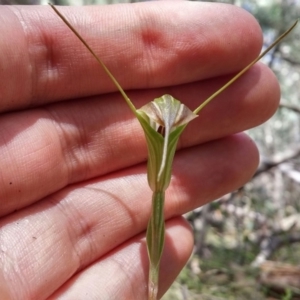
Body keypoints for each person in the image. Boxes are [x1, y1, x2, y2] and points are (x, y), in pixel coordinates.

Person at [0, 1, 280, 299]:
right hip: (165, 130)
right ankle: (152, 282)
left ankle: (152, 281)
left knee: (158, 201)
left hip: (167, 129)